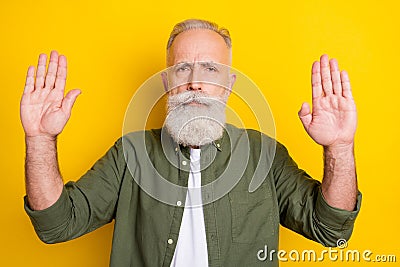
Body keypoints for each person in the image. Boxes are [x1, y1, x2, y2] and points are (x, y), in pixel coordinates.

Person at [21, 19, 361, 266]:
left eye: (210, 69)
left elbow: (331, 230)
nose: (195, 82)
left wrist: (340, 148)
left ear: (228, 85)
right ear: (168, 82)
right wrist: (39, 139)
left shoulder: (265, 156)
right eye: (183, 69)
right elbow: (57, 225)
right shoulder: (131, 154)